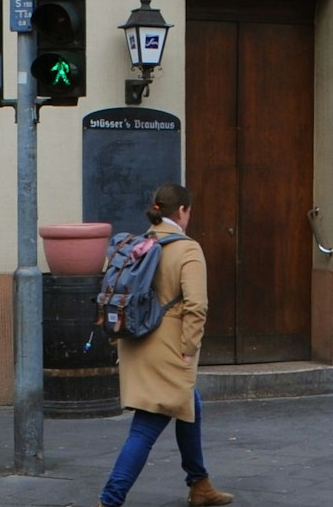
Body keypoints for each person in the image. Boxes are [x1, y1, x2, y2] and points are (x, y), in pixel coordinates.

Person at [98, 183, 233, 507]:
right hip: (169, 348)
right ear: (183, 211)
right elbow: (197, 305)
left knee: (190, 403)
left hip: (135, 342)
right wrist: (188, 349)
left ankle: (199, 483)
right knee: (146, 425)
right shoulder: (187, 249)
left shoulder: (137, 244)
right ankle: (109, 500)